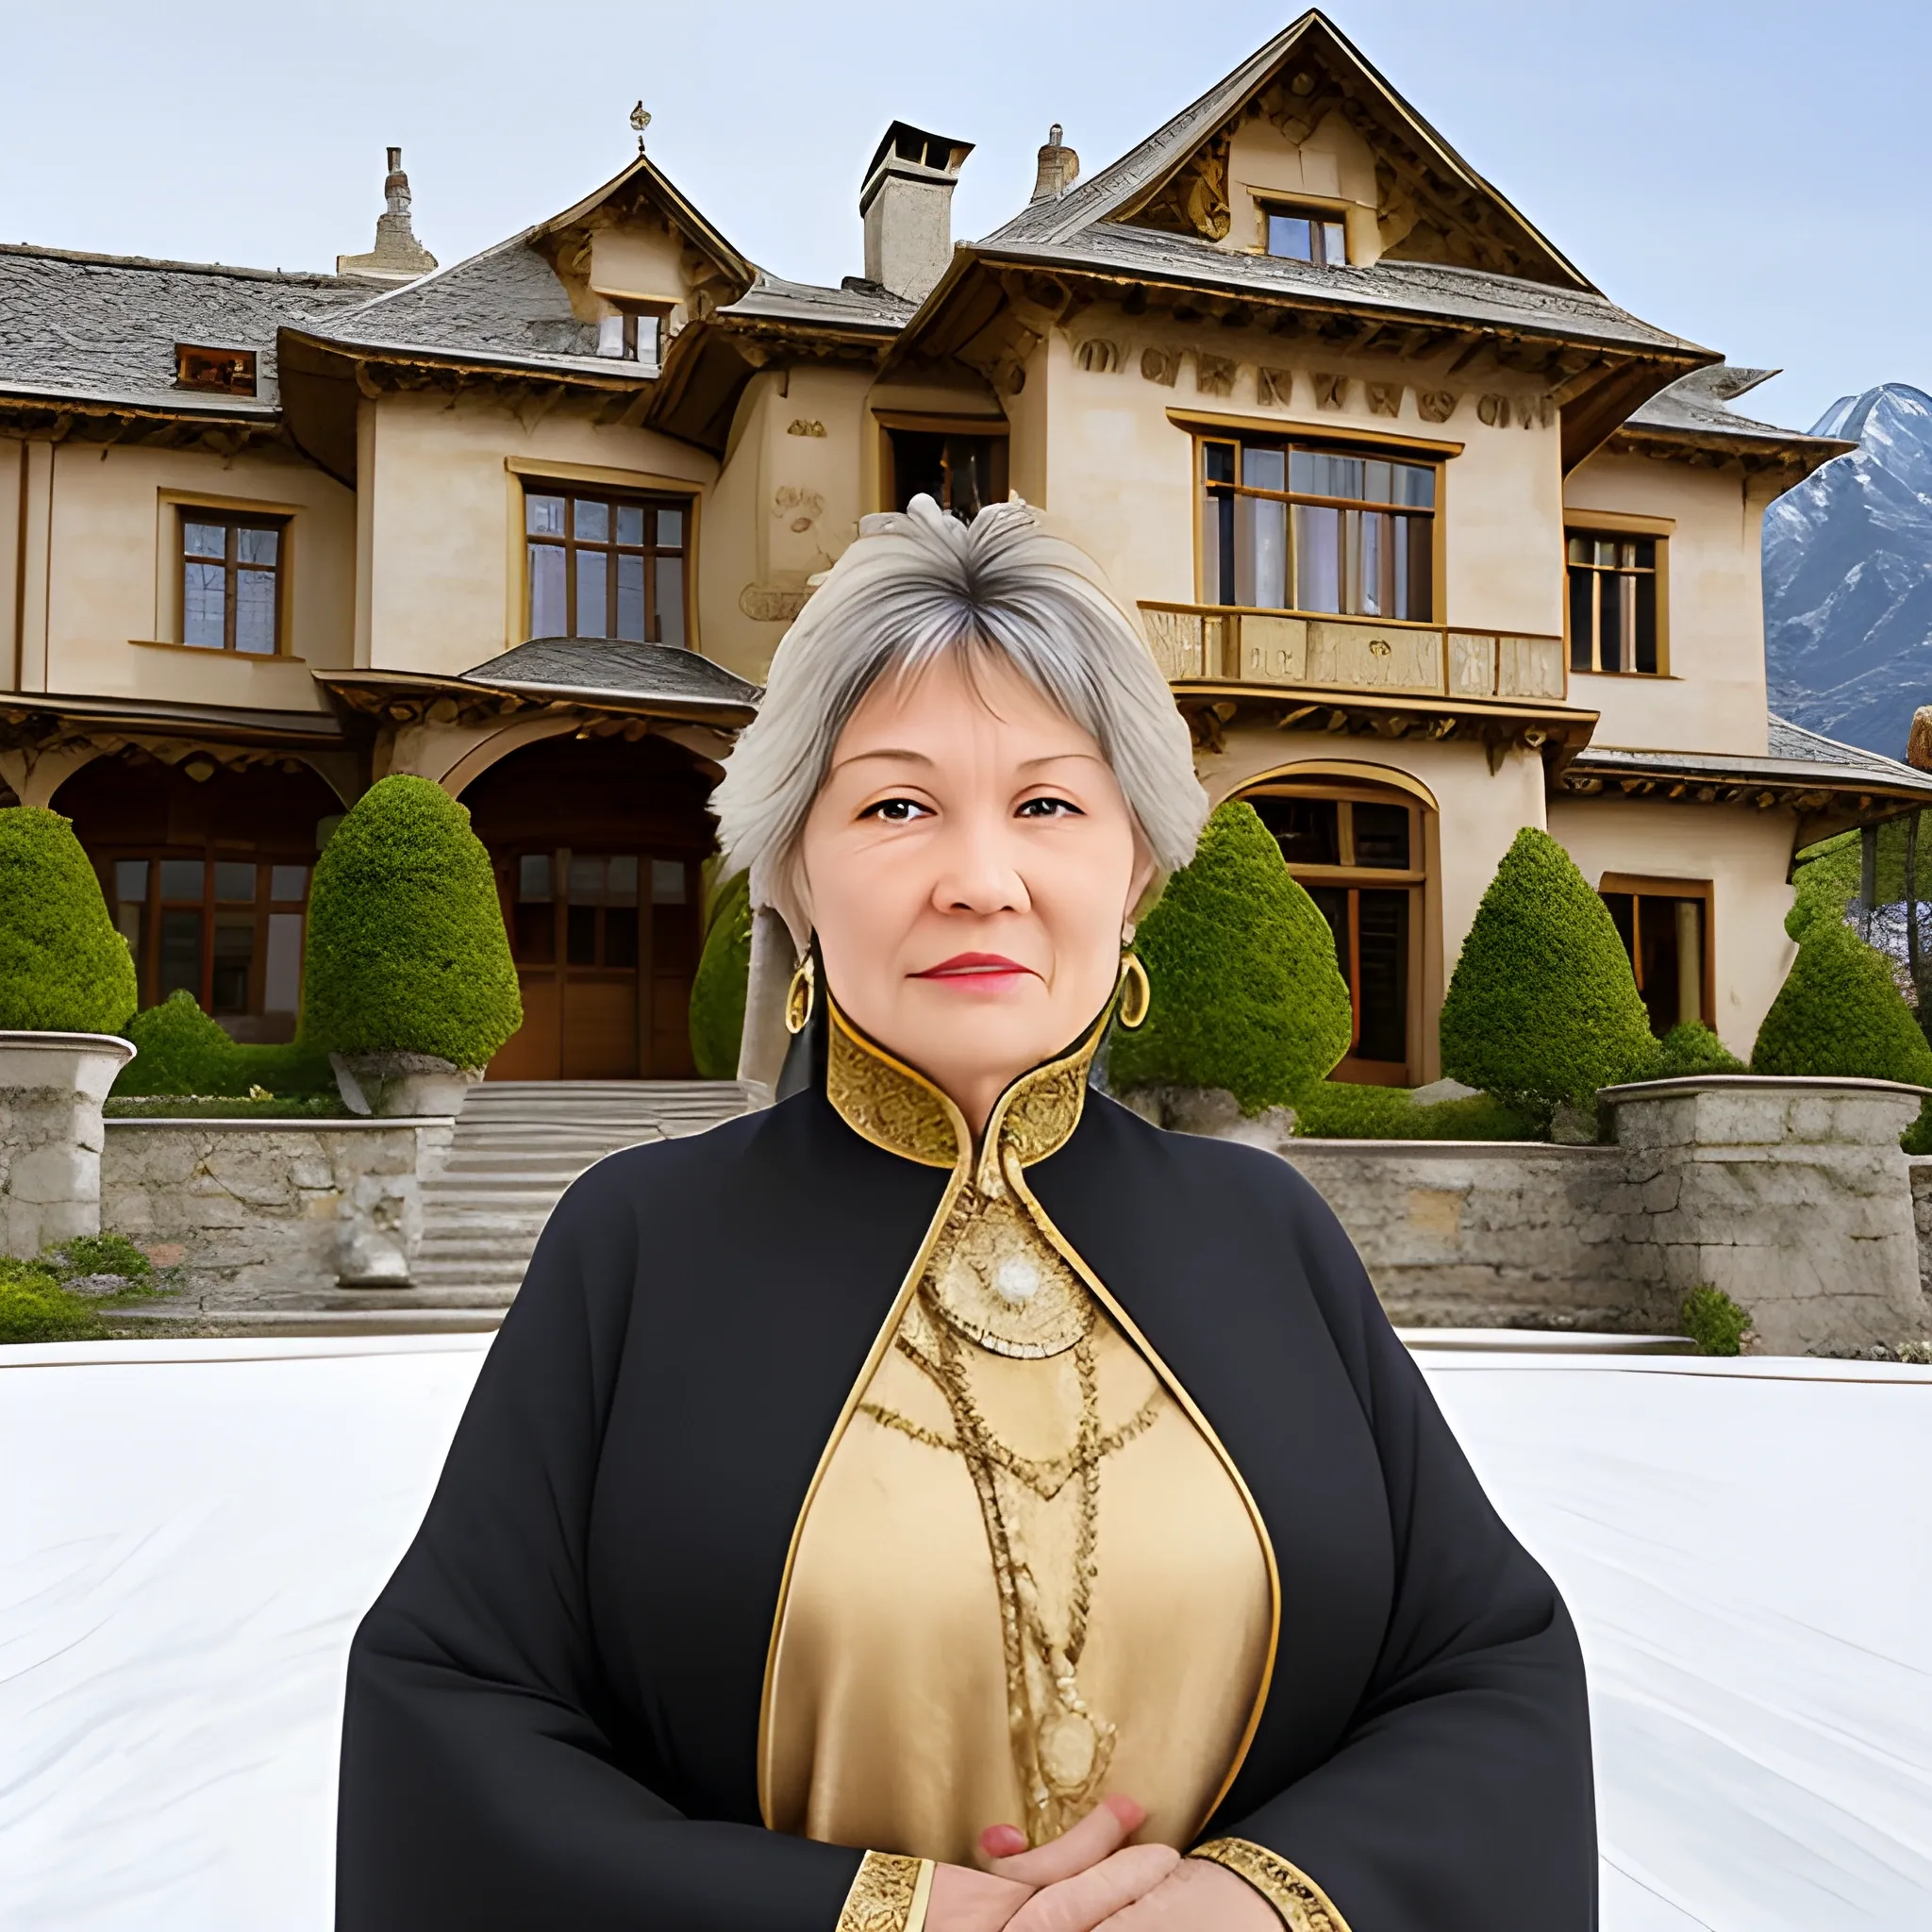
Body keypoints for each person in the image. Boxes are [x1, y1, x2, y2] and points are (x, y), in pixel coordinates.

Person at [336, 496, 1597, 1931]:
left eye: (1049, 805)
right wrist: (881, 1918)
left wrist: (1263, 1903)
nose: (980, 882)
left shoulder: (1263, 1231)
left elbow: (1487, 1665)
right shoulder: (639, 1242)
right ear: (795, 875)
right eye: (895, 804)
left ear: (1135, 874)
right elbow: (450, 1727)